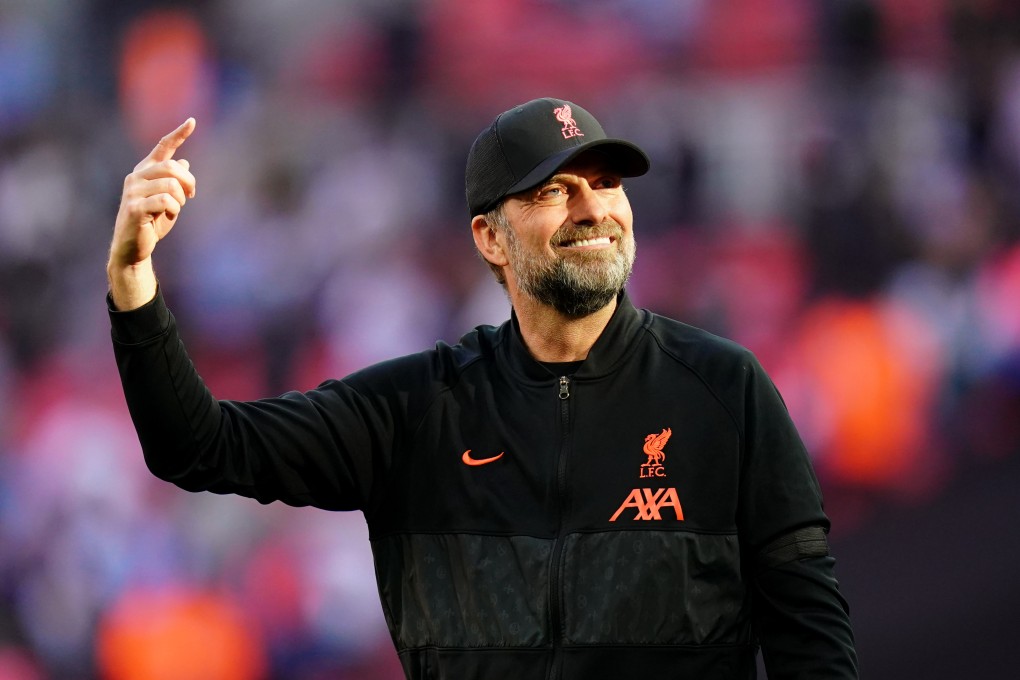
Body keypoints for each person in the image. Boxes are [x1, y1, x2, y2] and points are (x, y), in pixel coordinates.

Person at [107, 98, 858, 679]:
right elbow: (197, 446)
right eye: (556, 190)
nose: (594, 208)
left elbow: (811, 637)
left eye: (606, 184)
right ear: (490, 237)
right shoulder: (418, 412)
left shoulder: (725, 391)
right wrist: (134, 280)